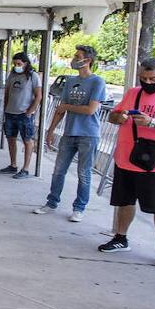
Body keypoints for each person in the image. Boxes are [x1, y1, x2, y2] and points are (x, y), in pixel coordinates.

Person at [97, 58, 155, 269]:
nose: (148, 82)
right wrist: (118, 117)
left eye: (153, 79)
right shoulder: (133, 93)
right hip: (126, 157)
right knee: (125, 201)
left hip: (154, 162)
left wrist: (152, 122)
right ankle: (121, 237)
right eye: (144, 78)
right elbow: (114, 115)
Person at [33, 45, 106, 222]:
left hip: (88, 134)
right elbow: (60, 109)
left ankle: (79, 207)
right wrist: (50, 131)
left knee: (84, 173)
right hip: (69, 132)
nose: (74, 59)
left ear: (88, 60)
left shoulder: (97, 82)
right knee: (59, 170)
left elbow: (90, 109)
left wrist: (67, 107)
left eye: (77, 56)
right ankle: (52, 202)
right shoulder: (71, 82)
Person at [0, 52, 42, 180]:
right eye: (15, 64)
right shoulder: (12, 75)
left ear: (26, 63)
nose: (17, 66)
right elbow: (7, 92)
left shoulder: (33, 76)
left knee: (27, 140)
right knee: (11, 138)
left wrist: (29, 111)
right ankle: (13, 164)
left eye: (19, 64)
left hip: (24, 114)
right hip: (10, 112)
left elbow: (38, 95)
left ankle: (26, 168)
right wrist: (5, 108)